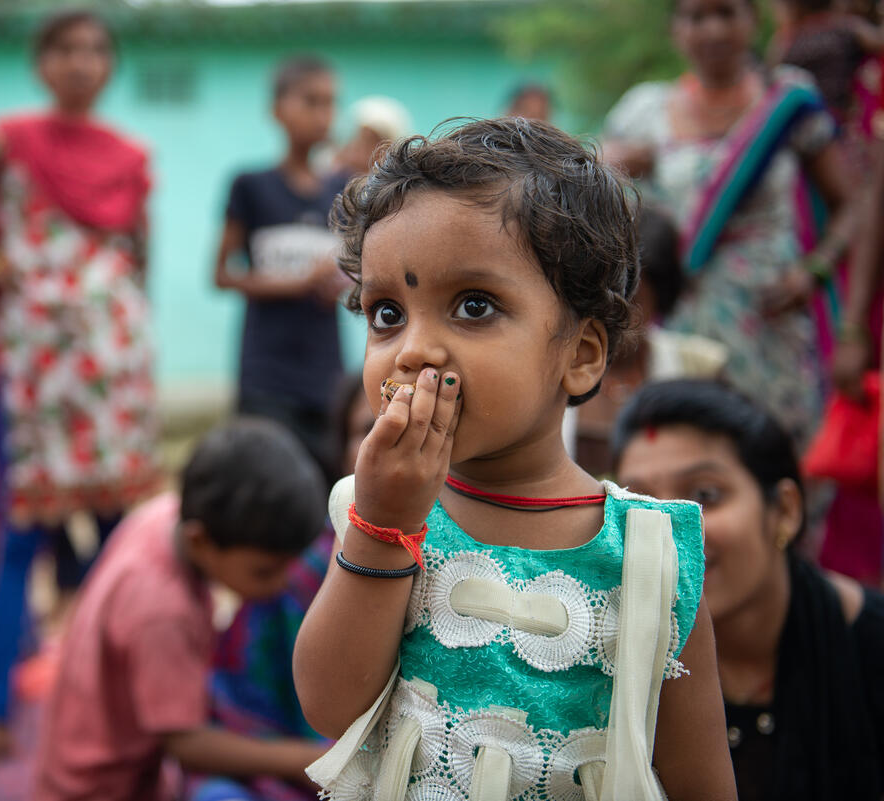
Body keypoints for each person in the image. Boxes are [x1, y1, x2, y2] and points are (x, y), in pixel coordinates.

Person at [293, 118, 735, 800]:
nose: (412, 350)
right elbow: (329, 703)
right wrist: (384, 527)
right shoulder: (378, 512)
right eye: (386, 313)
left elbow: (699, 779)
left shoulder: (654, 553)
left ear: (581, 354)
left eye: (473, 305)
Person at [0, 8, 159, 770]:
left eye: (96, 50)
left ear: (109, 66)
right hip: (36, 370)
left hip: (114, 363)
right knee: (17, 541)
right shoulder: (4, 138)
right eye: (65, 50)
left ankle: (127, 711)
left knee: (119, 543)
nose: (82, 63)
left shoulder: (132, 156)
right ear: (41, 64)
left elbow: (140, 257)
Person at [602, 0, 867, 447]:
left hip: (769, 320)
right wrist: (617, 164)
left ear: (753, 21)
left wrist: (814, 270)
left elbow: (852, 202)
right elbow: (596, 191)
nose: (712, 30)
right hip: (678, 319)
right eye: (696, 17)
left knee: (774, 450)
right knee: (687, 445)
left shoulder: (787, 102)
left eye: (726, 13)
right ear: (676, 30)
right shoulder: (645, 111)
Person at [612, 379, 884, 801]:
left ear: (786, 512)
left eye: (705, 495)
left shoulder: (871, 648)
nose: (668, 532)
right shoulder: (602, 661)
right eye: (640, 504)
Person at [31, 419, 330, 801]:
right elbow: (183, 743)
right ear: (201, 540)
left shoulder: (163, 515)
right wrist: (304, 759)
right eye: (265, 572)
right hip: (100, 788)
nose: (282, 584)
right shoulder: (163, 612)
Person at [185, 375, 372, 801]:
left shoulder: (469, 571)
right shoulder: (296, 564)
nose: (395, 436)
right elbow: (239, 705)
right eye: (368, 429)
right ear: (342, 451)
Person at [214, 55, 348, 473]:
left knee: (327, 490)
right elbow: (221, 275)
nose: (323, 115)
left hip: (326, 372)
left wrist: (340, 284)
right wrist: (295, 284)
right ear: (277, 109)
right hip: (266, 375)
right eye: (310, 101)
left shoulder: (343, 190)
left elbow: (355, 271)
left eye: (330, 103)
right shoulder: (250, 186)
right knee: (267, 484)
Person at [571, 205, 727, 474]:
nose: (612, 316)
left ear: (660, 301)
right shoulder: (548, 373)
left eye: (631, 302)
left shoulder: (698, 370)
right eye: (601, 298)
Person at [332, 95, 412, 177]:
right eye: (359, 142)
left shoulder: (405, 185)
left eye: (374, 144)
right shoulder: (333, 180)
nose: (361, 154)